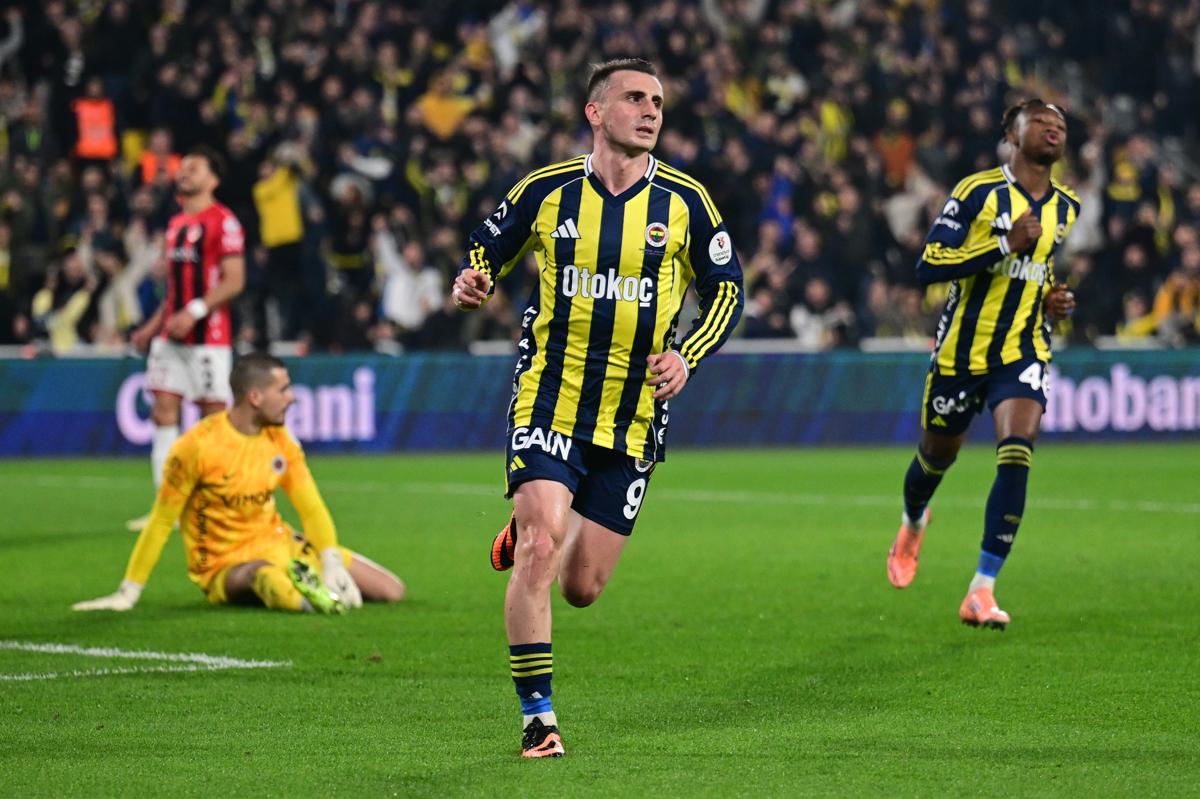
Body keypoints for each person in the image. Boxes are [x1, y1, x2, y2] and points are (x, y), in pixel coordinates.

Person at [452, 58, 744, 758]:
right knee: (542, 544)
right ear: (595, 111)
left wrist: (688, 354)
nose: (650, 111)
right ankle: (538, 718)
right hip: (550, 397)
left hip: (634, 416)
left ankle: (531, 524)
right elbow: (485, 251)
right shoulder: (545, 189)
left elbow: (727, 288)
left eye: (658, 102)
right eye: (634, 98)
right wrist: (473, 280)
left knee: (581, 586)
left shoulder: (686, 202)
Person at [886, 100, 1080, 630]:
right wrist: (1003, 243)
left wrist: (1052, 300)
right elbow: (930, 264)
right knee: (934, 458)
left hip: (1023, 349)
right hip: (960, 353)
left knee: (1017, 452)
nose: (1054, 128)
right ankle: (913, 520)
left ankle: (982, 588)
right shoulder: (977, 192)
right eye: (1041, 122)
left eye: (1061, 124)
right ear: (1012, 134)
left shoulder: (1068, 206)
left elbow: (1038, 269)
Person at [74, 353, 405, 614]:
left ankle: (313, 581)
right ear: (255, 396)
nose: (291, 398)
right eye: (283, 389)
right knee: (263, 575)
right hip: (225, 565)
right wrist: (129, 592)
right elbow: (161, 522)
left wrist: (330, 560)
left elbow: (311, 508)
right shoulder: (196, 447)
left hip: (280, 544)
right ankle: (315, 600)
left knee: (391, 590)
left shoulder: (281, 441)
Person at [126, 147, 247, 531]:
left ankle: (218, 502)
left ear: (213, 179)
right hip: (170, 338)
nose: (185, 173)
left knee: (214, 420)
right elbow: (174, 290)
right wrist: (152, 327)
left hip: (209, 338)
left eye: (194, 168)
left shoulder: (224, 222)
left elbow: (235, 281)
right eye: (184, 168)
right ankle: (167, 509)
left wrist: (194, 312)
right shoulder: (175, 224)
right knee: (163, 412)